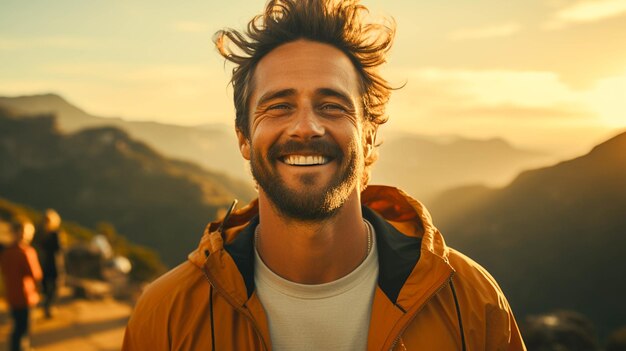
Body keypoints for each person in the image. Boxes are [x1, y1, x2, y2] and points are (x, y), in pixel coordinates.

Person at [123, 0, 526, 349]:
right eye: (278, 106)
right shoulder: (166, 314)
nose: (306, 127)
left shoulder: (471, 302)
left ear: (368, 137)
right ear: (244, 138)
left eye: (332, 105)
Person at [0, 216, 43, 351]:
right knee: (23, 328)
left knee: (16, 327)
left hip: (11, 295)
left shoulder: (6, 252)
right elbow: (36, 274)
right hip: (26, 296)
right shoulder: (26, 252)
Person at [35, 208, 65, 318]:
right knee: (54, 287)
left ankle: (47, 307)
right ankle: (48, 307)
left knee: (48, 287)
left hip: (44, 264)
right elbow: (59, 249)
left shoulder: (40, 234)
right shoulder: (55, 234)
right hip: (53, 264)